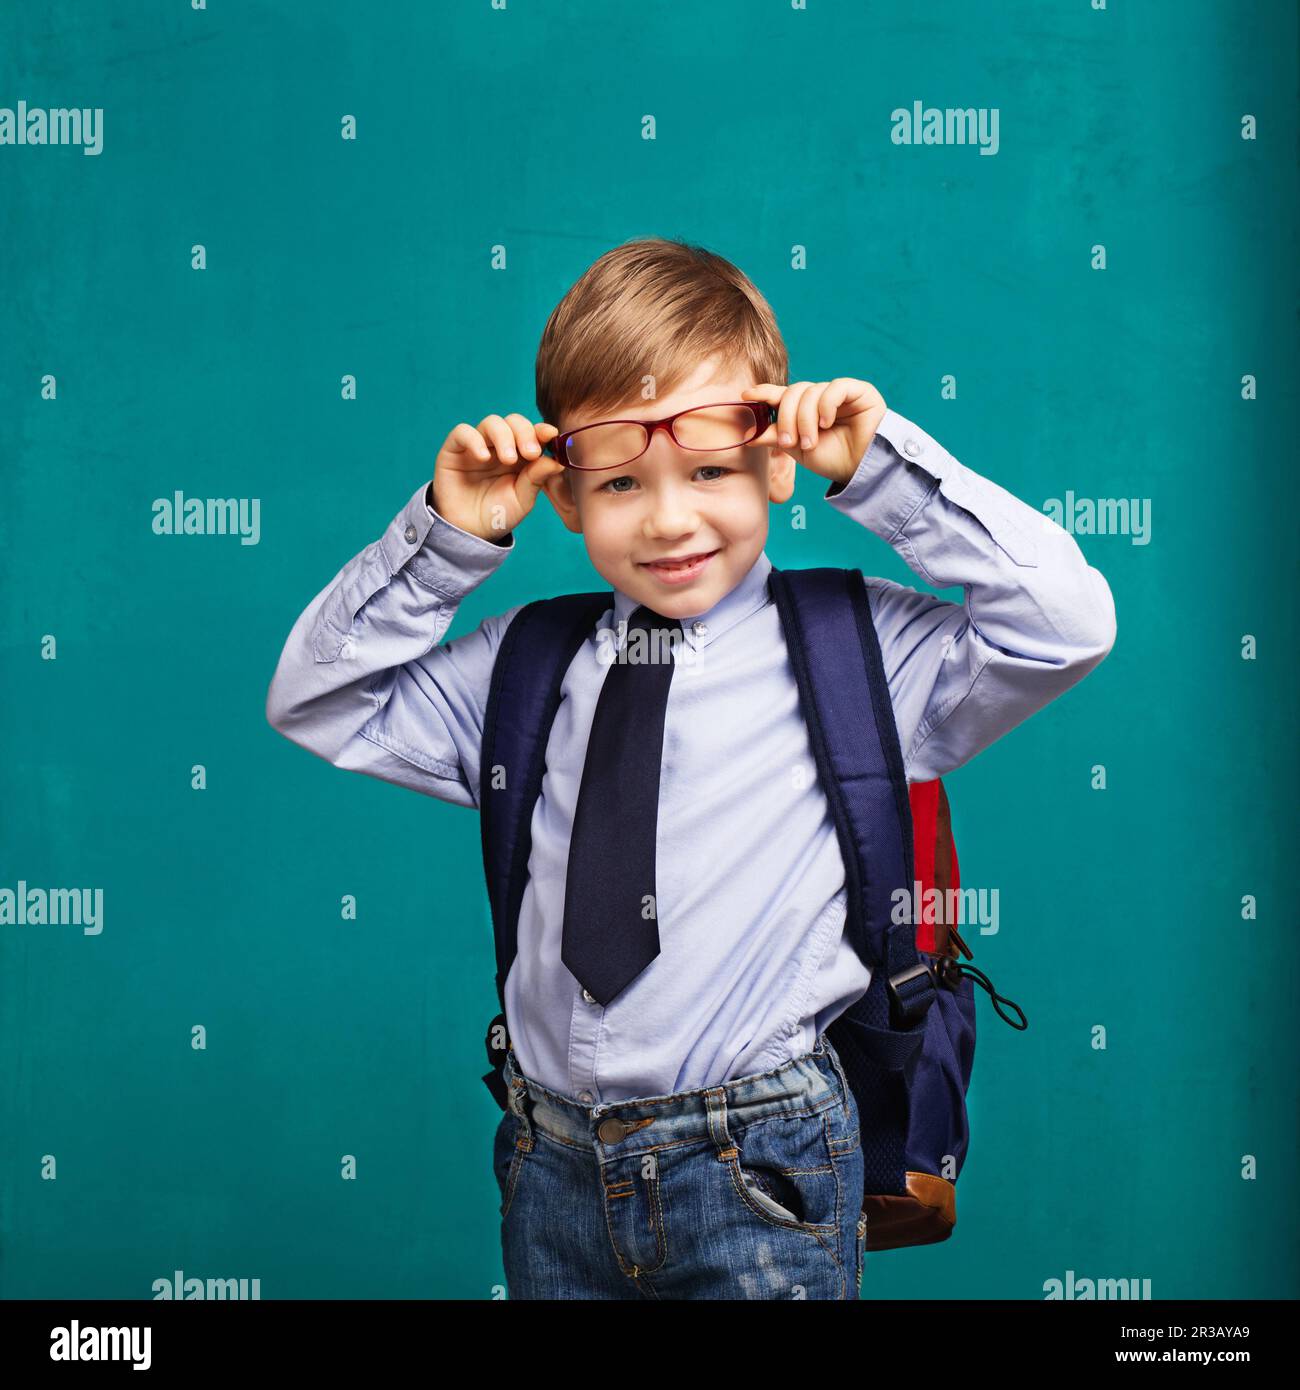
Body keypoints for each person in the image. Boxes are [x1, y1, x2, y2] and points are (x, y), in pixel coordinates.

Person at [265, 235, 1116, 1299]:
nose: (669, 518)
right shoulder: (524, 665)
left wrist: (880, 468)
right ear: (565, 496)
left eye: (710, 469)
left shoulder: (860, 654)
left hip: (760, 1161)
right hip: (551, 1162)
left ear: (772, 463)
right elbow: (318, 698)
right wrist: (445, 541)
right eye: (620, 481)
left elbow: (1064, 624)